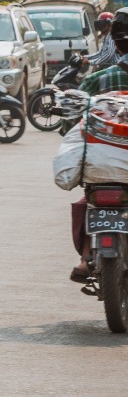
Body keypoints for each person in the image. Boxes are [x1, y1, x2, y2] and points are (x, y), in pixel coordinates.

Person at [71, 19, 128, 281]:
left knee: (89, 202)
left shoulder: (99, 78)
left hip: (103, 165)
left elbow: (73, 114)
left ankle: (84, 260)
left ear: (115, 45)